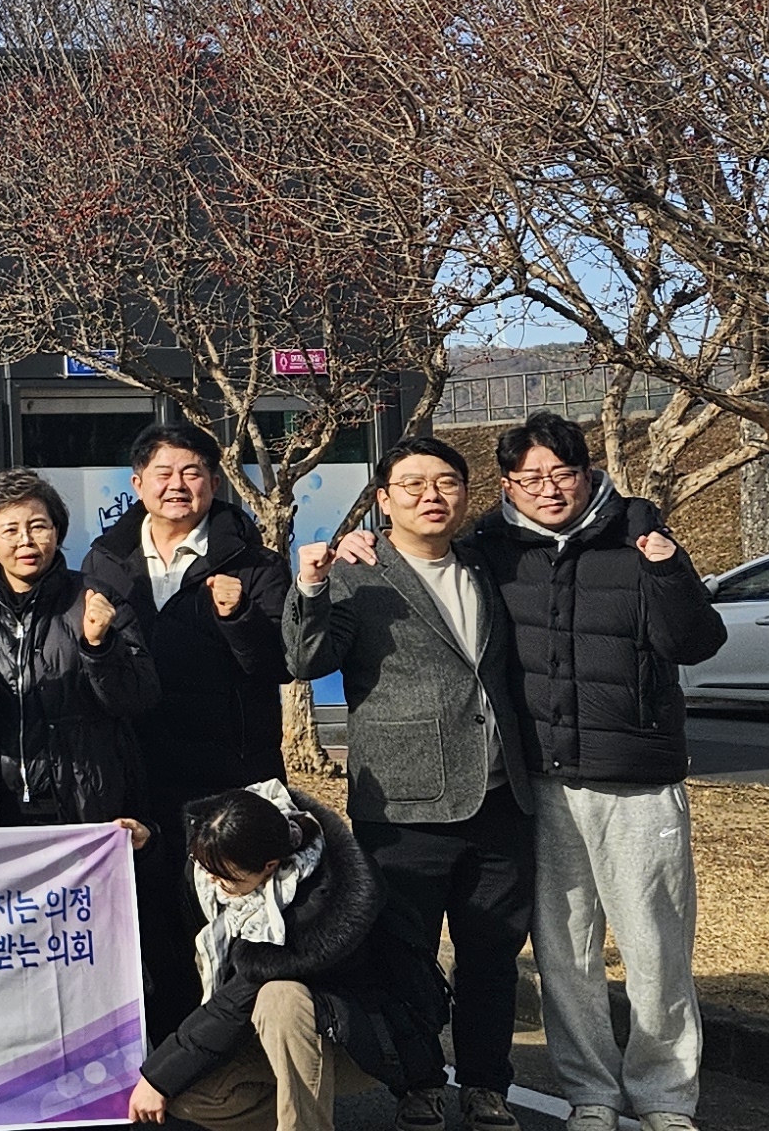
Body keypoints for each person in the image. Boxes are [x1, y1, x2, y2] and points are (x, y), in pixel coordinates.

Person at [461, 414, 721, 1131]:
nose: (549, 489)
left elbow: (697, 641)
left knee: (656, 947)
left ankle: (666, 1096)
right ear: (508, 483)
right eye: (531, 478)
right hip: (540, 783)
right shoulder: (486, 548)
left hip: (638, 779)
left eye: (563, 473)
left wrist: (667, 567)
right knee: (564, 953)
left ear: (588, 472)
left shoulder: (637, 536)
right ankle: (591, 1094)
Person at [296, 438, 537, 1131]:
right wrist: (311, 586)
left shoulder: (486, 562)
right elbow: (307, 659)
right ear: (383, 499)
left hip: (499, 796)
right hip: (402, 803)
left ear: (465, 493)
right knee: (404, 958)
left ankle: (487, 1085)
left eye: (446, 482)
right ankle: (418, 1084)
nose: (431, 496)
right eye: (412, 485)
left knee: (492, 956)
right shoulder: (357, 572)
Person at [87, 423, 292, 1034]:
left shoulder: (254, 563)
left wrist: (238, 616)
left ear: (214, 481)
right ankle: (167, 1060)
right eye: (164, 473)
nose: (178, 485)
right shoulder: (105, 561)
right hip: (139, 773)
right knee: (150, 923)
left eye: (193, 472)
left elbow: (280, 664)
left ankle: (235, 1055)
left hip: (228, 776)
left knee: (233, 922)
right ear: (137, 483)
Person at [131, 783, 447, 1131]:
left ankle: (305, 1124)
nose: (211, 881)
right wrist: (150, 846)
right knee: (187, 1097)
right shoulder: (225, 862)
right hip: (273, 1043)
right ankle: (292, 1112)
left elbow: (232, 1005)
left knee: (281, 997)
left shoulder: (316, 904)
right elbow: (182, 883)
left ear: (269, 866)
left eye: (224, 877)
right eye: (204, 868)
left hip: (362, 1046)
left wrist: (157, 1078)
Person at [0, 472, 156, 836]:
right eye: (10, 530)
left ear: (57, 532)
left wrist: (99, 647)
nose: (26, 540)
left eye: (38, 526)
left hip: (85, 800)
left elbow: (138, 697)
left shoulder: (96, 599)